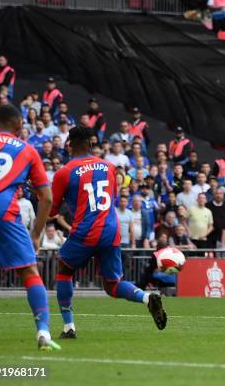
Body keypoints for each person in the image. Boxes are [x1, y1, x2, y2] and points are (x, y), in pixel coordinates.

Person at [50, 126, 167, 339]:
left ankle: (69, 327)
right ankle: (147, 297)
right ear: (91, 144)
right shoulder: (109, 166)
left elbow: (51, 211)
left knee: (64, 271)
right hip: (110, 231)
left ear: (70, 144)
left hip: (86, 231)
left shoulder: (64, 172)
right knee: (112, 286)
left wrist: (42, 196)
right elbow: (109, 199)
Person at [0, 104, 58, 350]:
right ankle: (43, 331)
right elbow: (48, 198)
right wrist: (36, 234)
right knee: (30, 273)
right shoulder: (28, 150)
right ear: (20, 124)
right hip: (5, 213)